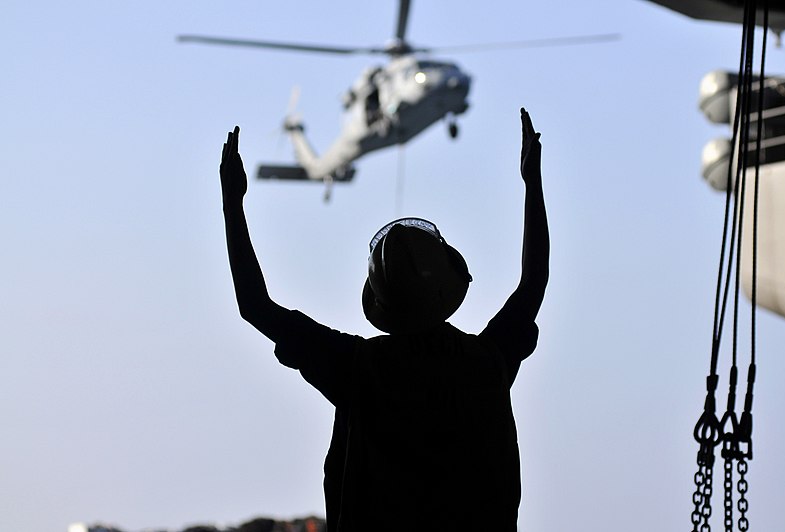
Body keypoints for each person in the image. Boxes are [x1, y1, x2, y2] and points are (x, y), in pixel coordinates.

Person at [220, 108, 549, 531]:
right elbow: (533, 282)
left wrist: (233, 203)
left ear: (381, 302)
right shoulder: (486, 361)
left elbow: (255, 306)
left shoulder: (357, 367)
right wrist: (532, 184)